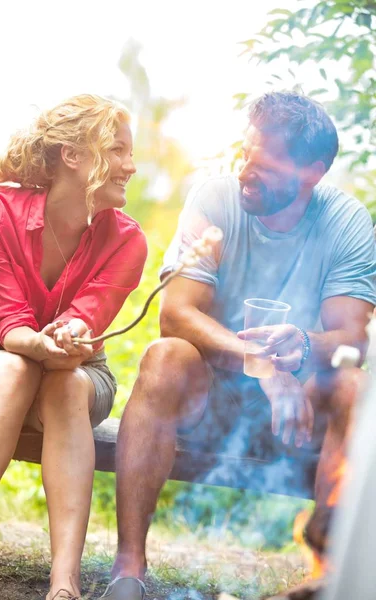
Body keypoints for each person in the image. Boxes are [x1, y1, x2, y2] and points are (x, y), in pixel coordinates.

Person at [104, 91, 376, 600]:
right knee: (164, 357)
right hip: (216, 401)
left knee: (352, 385)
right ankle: (128, 571)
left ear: (312, 172)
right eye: (245, 152)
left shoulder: (346, 223)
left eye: (265, 162)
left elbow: (353, 340)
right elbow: (176, 314)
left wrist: (302, 344)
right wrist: (265, 370)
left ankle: (325, 579)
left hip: (298, 417)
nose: (246, 170)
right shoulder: (216, 199)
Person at [0, 94, 147, 600]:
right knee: (16, 370)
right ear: (73, 155)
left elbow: (86, 322)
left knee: (65, 383)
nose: (131, 166)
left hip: (77, 370)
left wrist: (70, 337)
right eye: (117, 150)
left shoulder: (127, 241)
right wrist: (37, 344)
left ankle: (64, 584)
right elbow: (9, 324)